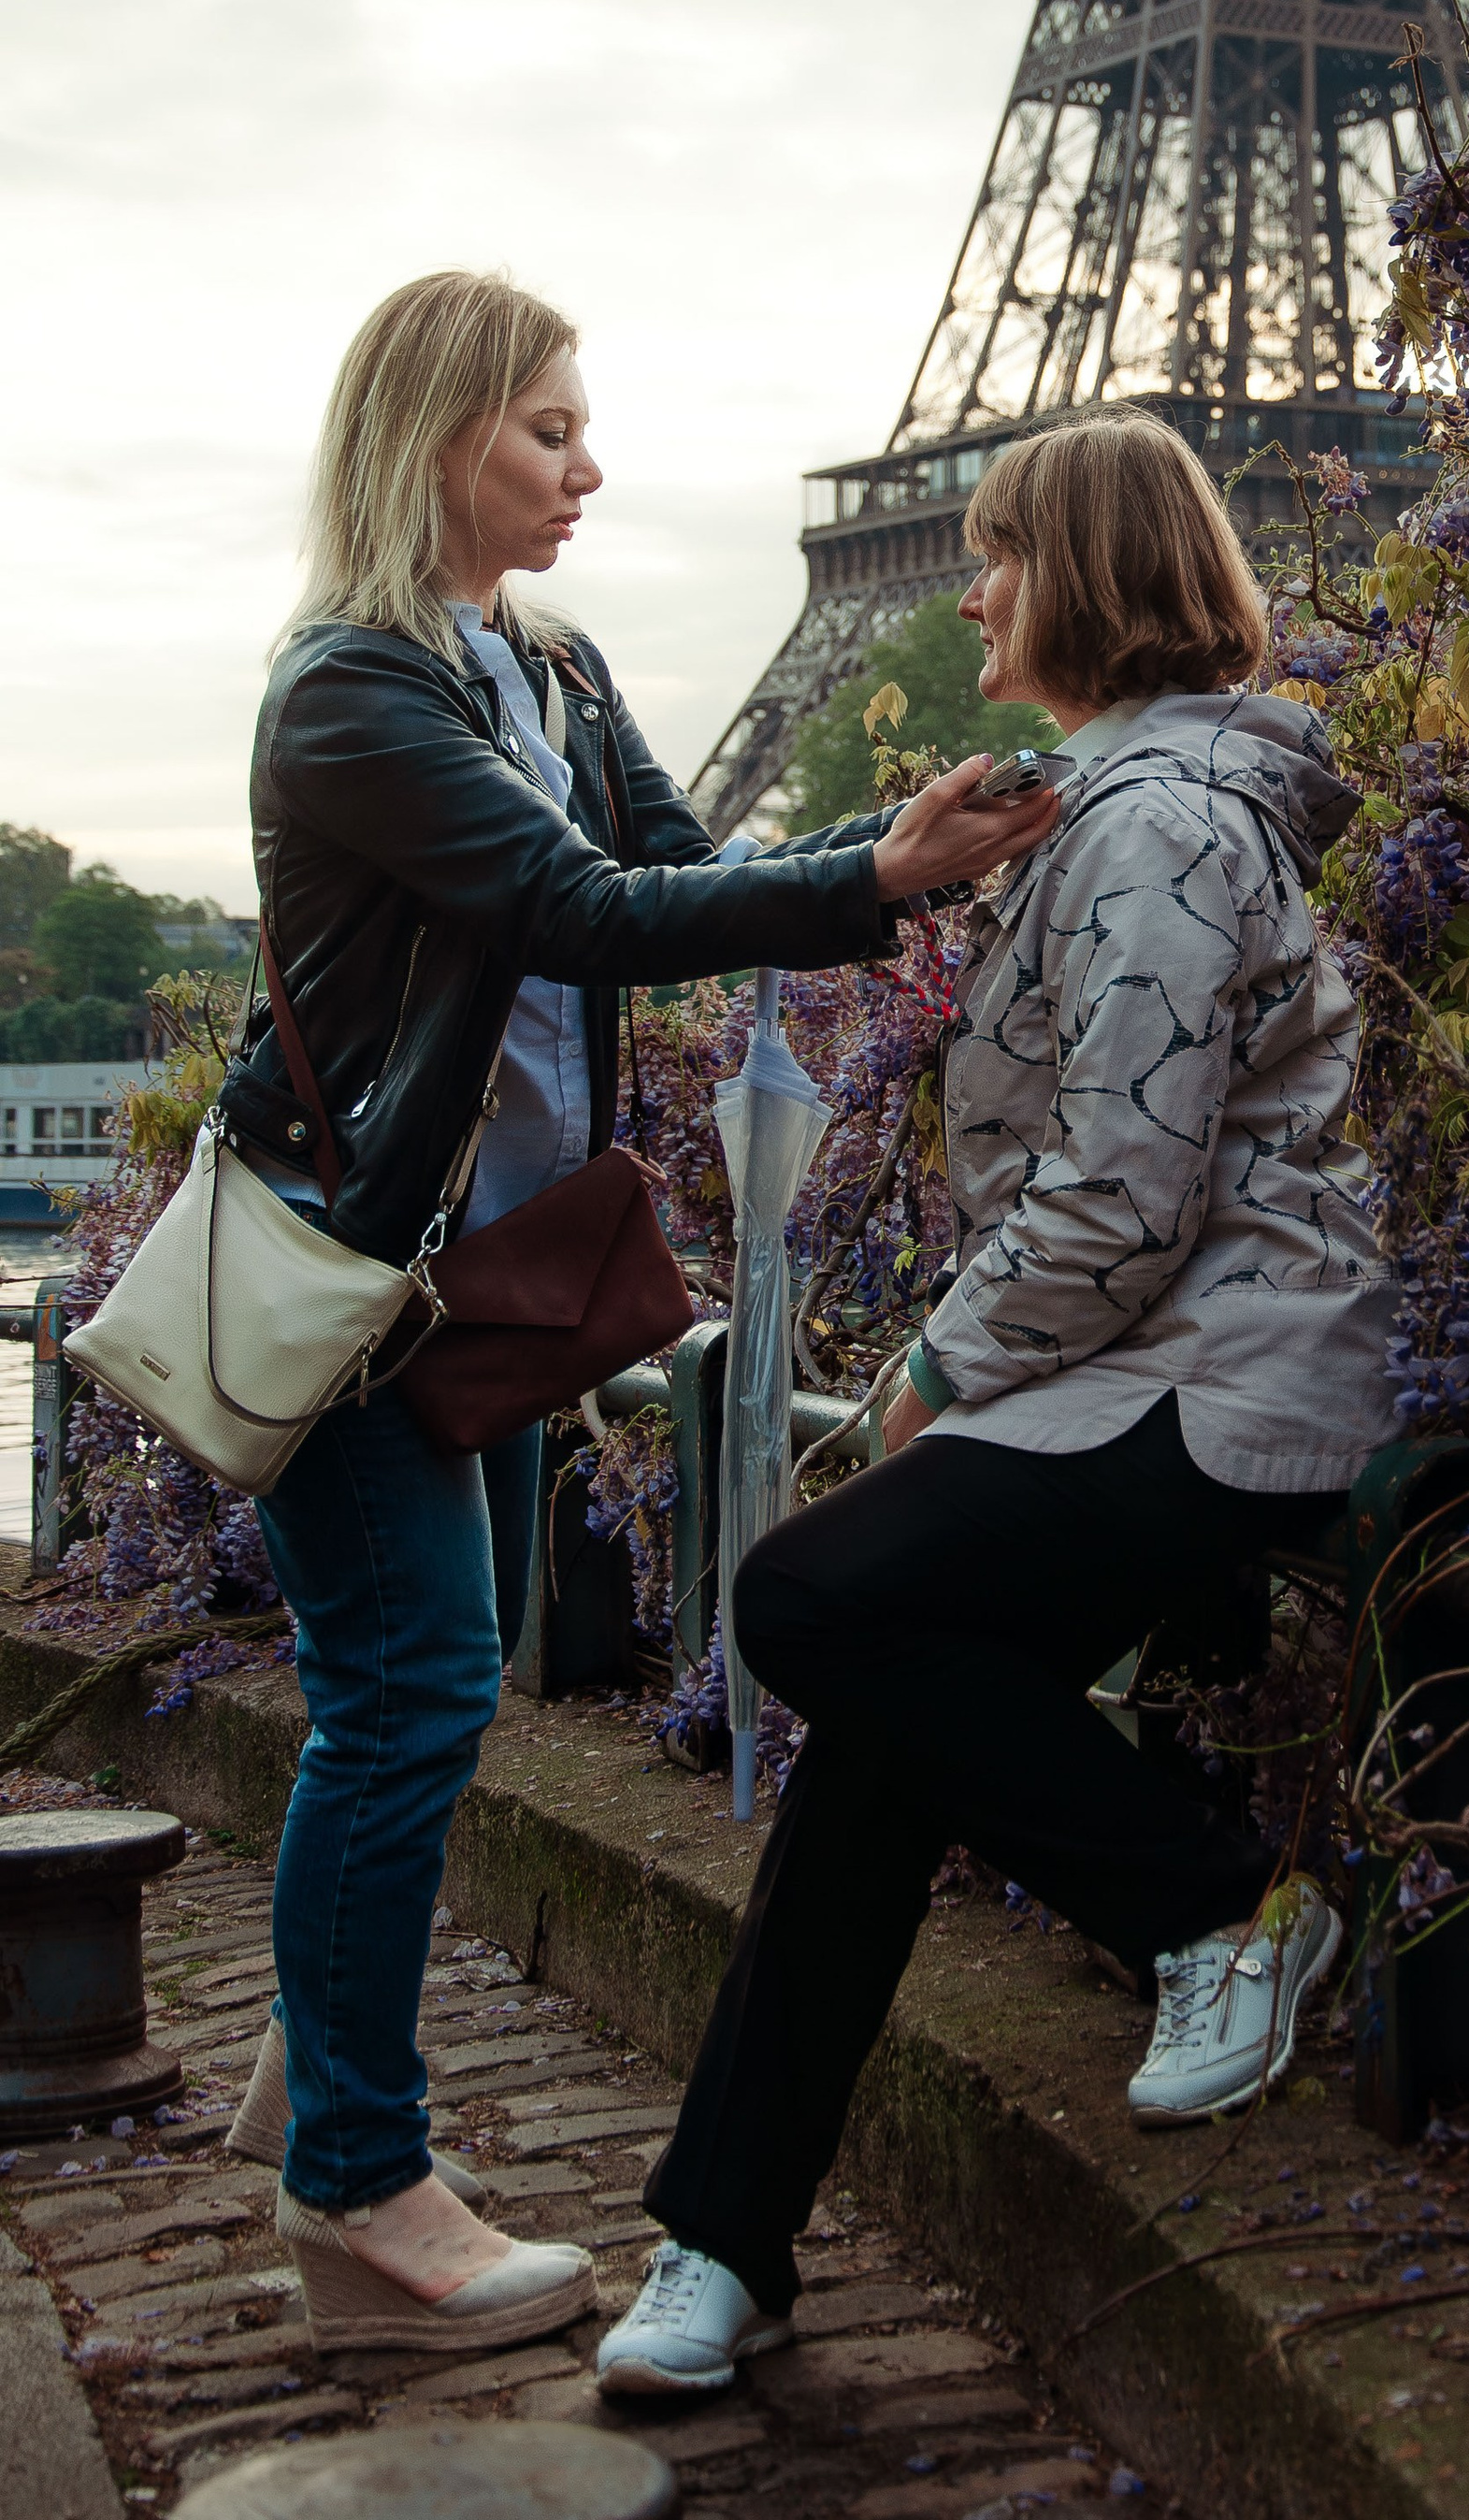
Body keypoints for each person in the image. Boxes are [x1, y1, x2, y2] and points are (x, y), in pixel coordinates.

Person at [217, 268, 1056, 2354]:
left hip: (476, 1281)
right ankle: (354, 2189)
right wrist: (872, 887)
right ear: (432, 442)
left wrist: (903, 846)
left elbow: (680, 868)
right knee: (410, 1687)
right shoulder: (352, 692)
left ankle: (322, 2054)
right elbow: (576, 911)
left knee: (409, 1694)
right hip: (340, 1269)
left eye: (583, 430)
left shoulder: (558, 666)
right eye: (545, 432)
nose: (588, 468)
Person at [598, 404, 1398, 2401]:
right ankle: (721, 2232)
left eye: (998, 553)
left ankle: (1222, 1902)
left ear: (1093, 576)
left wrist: (943, 1362)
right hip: (1140, 1351)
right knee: (882, 1731)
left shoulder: (1157, 823)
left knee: (807, 1598)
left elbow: (1124, 1187)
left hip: (1222, 1357)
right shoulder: (1116, 804)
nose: (964, 589)